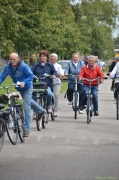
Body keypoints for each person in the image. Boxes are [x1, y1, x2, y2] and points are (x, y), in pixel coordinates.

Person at [0, 53, 46, 137]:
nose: (12, 61)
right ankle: (40, 110)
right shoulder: (7, 68)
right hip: (19, 88)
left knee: (26, 107)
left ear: (18, 59)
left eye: (14, 59)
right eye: (11, 59)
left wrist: (24, 82)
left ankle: (26, 129)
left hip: (27, 87)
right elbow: (1, 77)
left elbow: (31, 76)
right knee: (27, 101)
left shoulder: (23, 66)